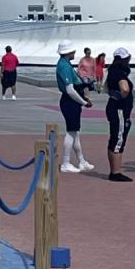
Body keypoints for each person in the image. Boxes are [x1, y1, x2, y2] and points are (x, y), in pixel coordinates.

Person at [55, 42, 94, 172]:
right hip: (70, 101)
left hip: (72, 100)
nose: (74, 53)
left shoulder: (65, 64)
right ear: (68, 53)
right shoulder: (64, 66)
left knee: (75, 132)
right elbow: (70, 89)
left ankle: (81, 160)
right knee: (71, 132)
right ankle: (66, 162)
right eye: (72, 51)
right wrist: (83, 101)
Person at [105, 47, 134, 182]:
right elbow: (125, 89)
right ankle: (116, 172)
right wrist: (122, 97)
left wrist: (113, 95)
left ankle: (114, 170)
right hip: (120, 110)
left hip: (113, 107)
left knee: (114, 137)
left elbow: (105, 87)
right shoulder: (120, 74)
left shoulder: (111, 71)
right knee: (118, 138)